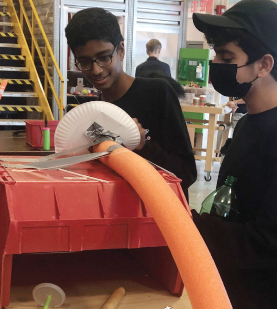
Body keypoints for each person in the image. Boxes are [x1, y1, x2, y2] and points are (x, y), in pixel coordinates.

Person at [191, 0, 277, 309]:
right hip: (232, 292)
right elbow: (231, 201)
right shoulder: (249, 124)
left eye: (227, 58)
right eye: (216, 54)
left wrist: (197, 230)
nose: (216, 64)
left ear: (264, 64)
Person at [65, 8, 197, 198]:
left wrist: (144, 145)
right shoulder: (95, 113)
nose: (95, 70)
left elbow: (187, 173)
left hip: (158, 218)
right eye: (84, 61)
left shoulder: (158, 93)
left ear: (120, 50)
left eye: (103, 57)